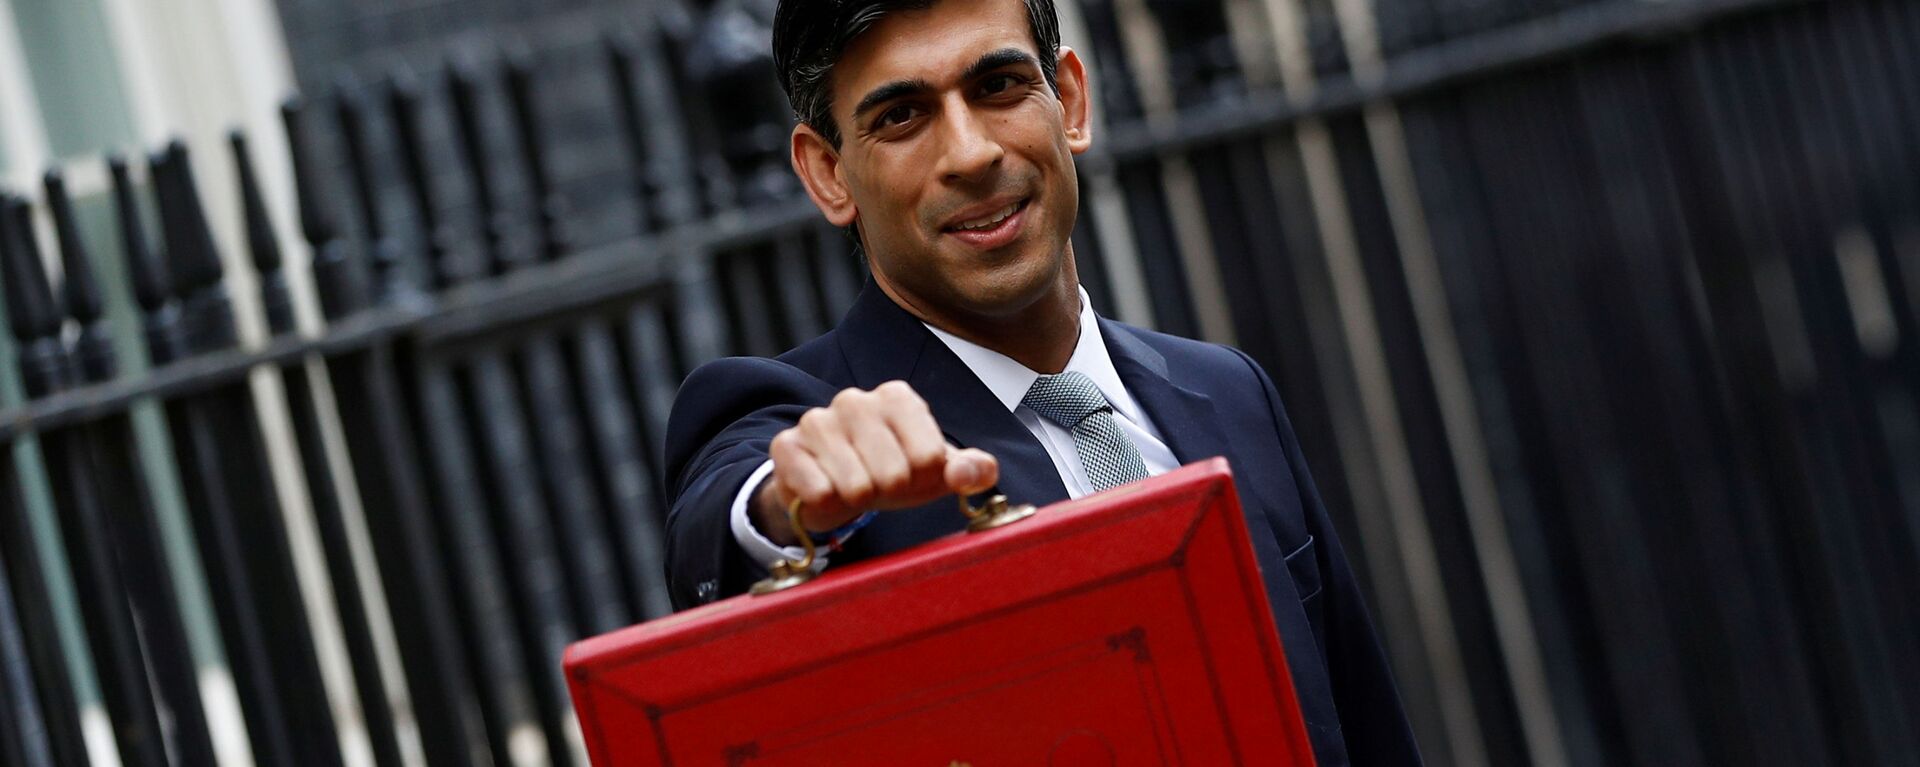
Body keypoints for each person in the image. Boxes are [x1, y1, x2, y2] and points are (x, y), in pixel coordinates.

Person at [662, 0, 1421, 762]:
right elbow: (728, 512)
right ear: (829, 174)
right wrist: (788, 502)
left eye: (997, 86)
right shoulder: (801, 417)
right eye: (901, 117)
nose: (969, 152)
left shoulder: (1229, 389)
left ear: (1072, 101)